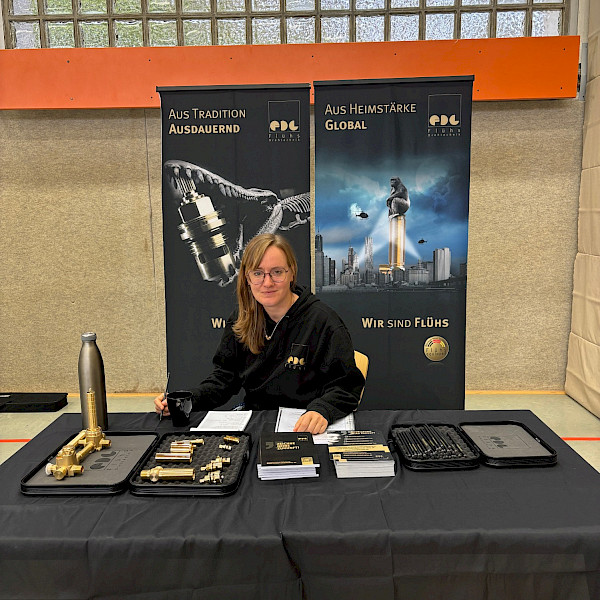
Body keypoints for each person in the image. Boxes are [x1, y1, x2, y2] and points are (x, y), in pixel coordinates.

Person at [154, 233, 364, 434]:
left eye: (277, 272)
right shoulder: (241, 318)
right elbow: (224, 379)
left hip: (304, 427)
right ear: (247, 277)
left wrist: (323, 410)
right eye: (258, 273)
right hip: (256, 423)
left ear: (291, 273)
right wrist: (188, 400)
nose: (267, 282)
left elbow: (347, 386)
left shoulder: (324, 322)